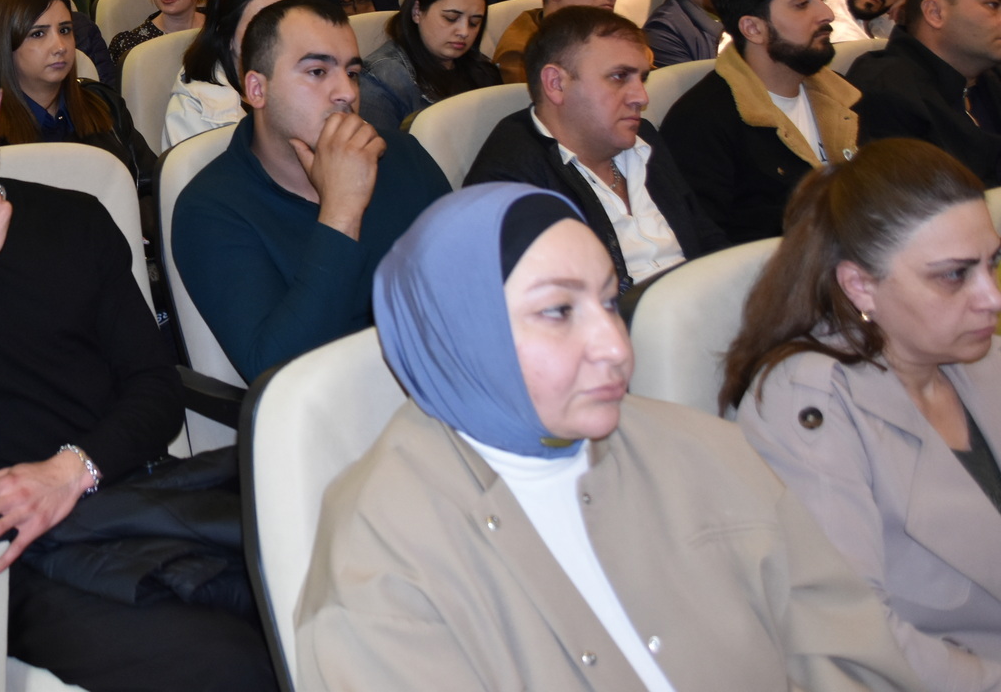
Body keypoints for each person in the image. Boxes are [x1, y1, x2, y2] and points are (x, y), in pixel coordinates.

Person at [294, 182, 925, 692]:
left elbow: (849, 658)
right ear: (463, 331)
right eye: (558, 311)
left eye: (607, 301)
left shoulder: (707, 451)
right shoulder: (381, 553)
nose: (616, 347)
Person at [0, 18, 276, 692]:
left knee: (306, 595)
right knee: (227, 662)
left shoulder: (75, 218)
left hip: (123, 489)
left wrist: (73, 470)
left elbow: (155, 390)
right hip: (7, 543)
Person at [724, 140, 1001, 691]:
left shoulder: (979, 357)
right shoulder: (808, 404)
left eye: (993, 264)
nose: (991, 298)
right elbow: (854, 635)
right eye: (954, 275)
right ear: (859, 285)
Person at [170, 0, 450, 380]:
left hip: (445, 385)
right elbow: (277, 373)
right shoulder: (210, 209)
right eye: (318, 71)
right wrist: (341, 212)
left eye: (352, 72)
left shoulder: (401, 155)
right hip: (334, 411)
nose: (347, 92)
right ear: (257, 89)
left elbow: (471, 280)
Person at [466, 7, 727, 289]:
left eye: (642, 79)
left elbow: (707, 240)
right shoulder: (510, 179)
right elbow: (552, 304)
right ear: (556, 84)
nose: (641, 97)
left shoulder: (644, 137)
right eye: (619, 77)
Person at [662, 0, 860, 244]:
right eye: (802, 4)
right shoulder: (700, 124)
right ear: (753, 28)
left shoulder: (844, 96)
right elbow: (708, 250)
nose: (827, 14)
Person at [848, 0, 1001, 183]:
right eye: (993, 5)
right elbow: (911, 198)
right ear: (934, 13)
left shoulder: (990, 76)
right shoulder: (885, 89)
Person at [0, 0, 150, 182]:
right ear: (6, 43)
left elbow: (149, 185)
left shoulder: (104, 103)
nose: (60, 47)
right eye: (38, 34)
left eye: (64, 30)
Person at [356, 0, 501, 135]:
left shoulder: (482, 69)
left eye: (474, 22)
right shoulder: (380, 80)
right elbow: (382, 151)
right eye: (451, 18)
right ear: (417, 11)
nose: (464, 31)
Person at [164, 0, 291, 150]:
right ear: (227, 35)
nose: (278, 37)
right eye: (260, 25)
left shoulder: (306, 80)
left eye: (286, 24)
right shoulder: (191, 110)